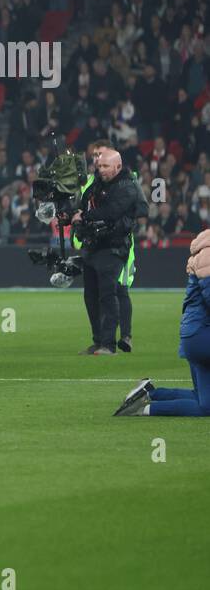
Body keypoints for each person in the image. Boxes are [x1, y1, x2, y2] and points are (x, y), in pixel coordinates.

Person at [115, 233, 210, 416]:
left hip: (196, 334)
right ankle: (144, 409)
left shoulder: (204, 252)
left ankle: (149, 393)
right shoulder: (208, 255)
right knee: (205, 407)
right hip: (201, 335)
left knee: (202, 398)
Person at [73, 147, 144, 355]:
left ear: (118, 166)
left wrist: (84, 217)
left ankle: (109, 344)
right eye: (99, 166)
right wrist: (76, 214)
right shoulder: (95, 185)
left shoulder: (127, 186)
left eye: (105, 166)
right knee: (91, 295)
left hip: (113, 247)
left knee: (108, 293)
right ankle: (98, 340)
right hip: (93, 246)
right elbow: (84, 204)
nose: (101, 169)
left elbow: (112, 211)